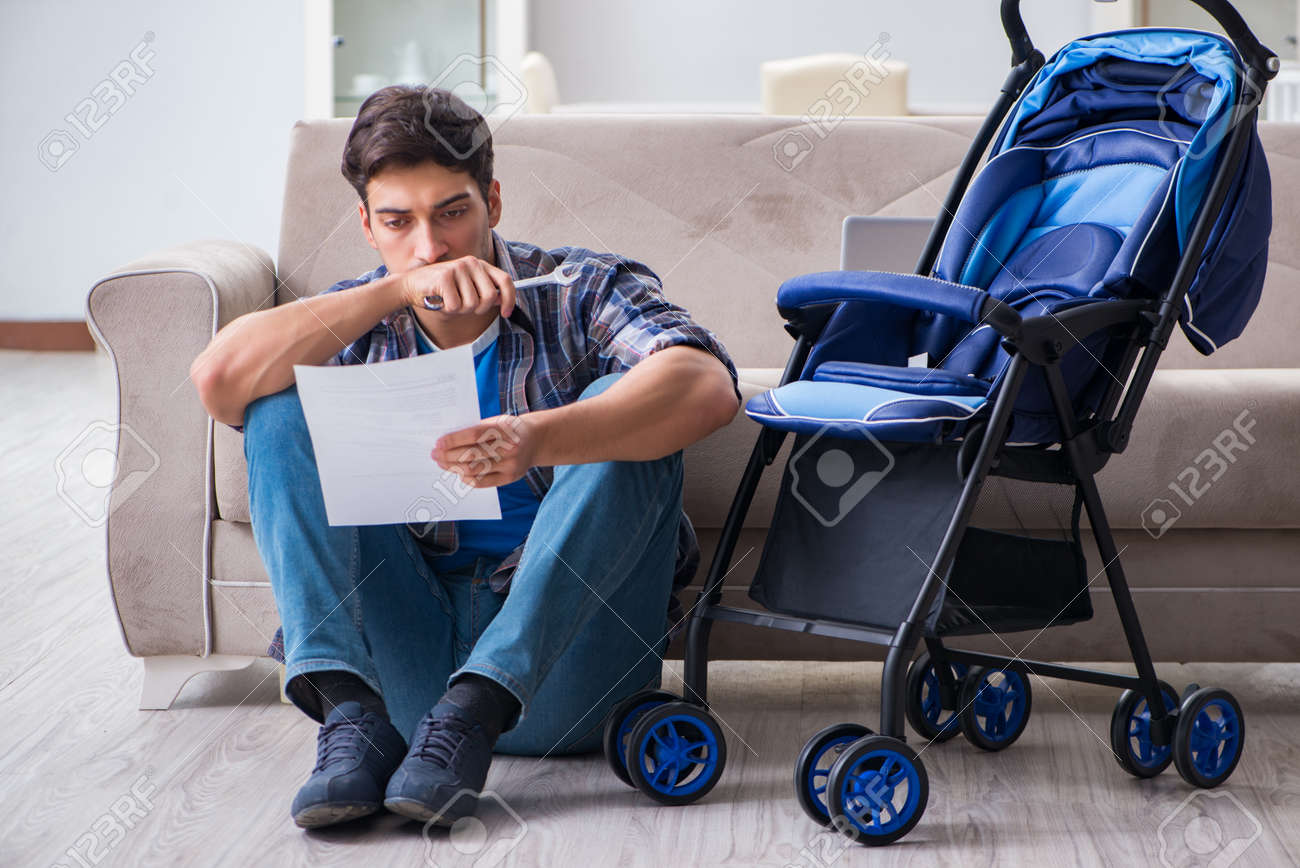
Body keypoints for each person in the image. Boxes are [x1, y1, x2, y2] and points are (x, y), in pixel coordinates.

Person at [189, 85, 741, 830]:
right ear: (367, 225)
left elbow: (706, 388)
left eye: (452, 212)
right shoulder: (355, 318)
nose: (431, 246)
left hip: (563, 673)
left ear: (494, 203)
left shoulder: (579, 288)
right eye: (399, 223)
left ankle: (478, 705)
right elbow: (220, 383)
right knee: (281, 404)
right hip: (400, 689)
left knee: (632, 408)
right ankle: (345, 717)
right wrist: (394, 292)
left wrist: (540, 436)